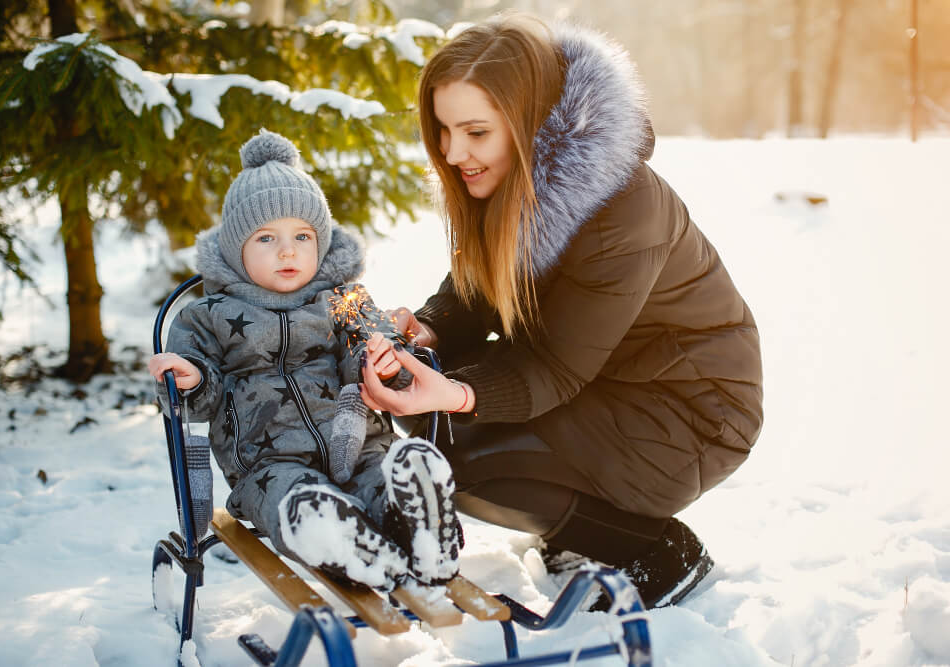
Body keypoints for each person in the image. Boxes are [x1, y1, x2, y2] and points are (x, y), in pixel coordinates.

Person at [360, 14, 763, 608]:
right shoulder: (506, 178)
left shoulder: (623, 213)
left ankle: (656, 550)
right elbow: (474, 291)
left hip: (690, 411)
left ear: (526, 123)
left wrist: (450, 392)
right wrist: (429, 329)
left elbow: (555, 370)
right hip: (606, 381)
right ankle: (584, 524)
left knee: (461, 455)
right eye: (443, 131)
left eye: (475, 132)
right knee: (434, 416)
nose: (452, 153)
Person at [148, 130, 463, 590]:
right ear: (236, 252)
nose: (288, 250)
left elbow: (376, 356)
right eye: (266, 238)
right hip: (267, 466)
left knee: (383, 474)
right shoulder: (206, 318)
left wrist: (384, 362)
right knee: (292, 500)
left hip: (359, 447)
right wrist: (192, 378)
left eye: (302, 235)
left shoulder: (345, 301)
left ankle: (420, 524)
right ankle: (333, 534)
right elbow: (193, 405)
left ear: (321, 240)